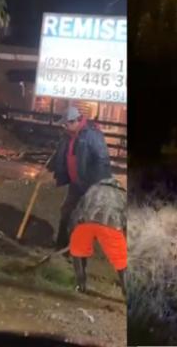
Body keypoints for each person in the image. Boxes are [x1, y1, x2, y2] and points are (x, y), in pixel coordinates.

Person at [49, 106, 113, 249]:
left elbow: (102, 161)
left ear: (75, 121)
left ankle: (79, 248)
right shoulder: (68, 135)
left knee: (84, 217)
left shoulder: (93, 135)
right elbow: (63, 153)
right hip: (76, 182)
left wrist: (97, 185)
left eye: (66, 124)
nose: (64, 127)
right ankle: (61, 246)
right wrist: (53, 165)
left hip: (90, 184)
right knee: (66, 211)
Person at [69, 176, 127, 296]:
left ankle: (80, 285)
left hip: (86, 222)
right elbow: (126, 218)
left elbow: (78, 209)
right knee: (122, 260)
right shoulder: (122, 195)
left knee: (78, 252)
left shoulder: (92, 188)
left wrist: (74, 230)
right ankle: (127, 292)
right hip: (111, 225)